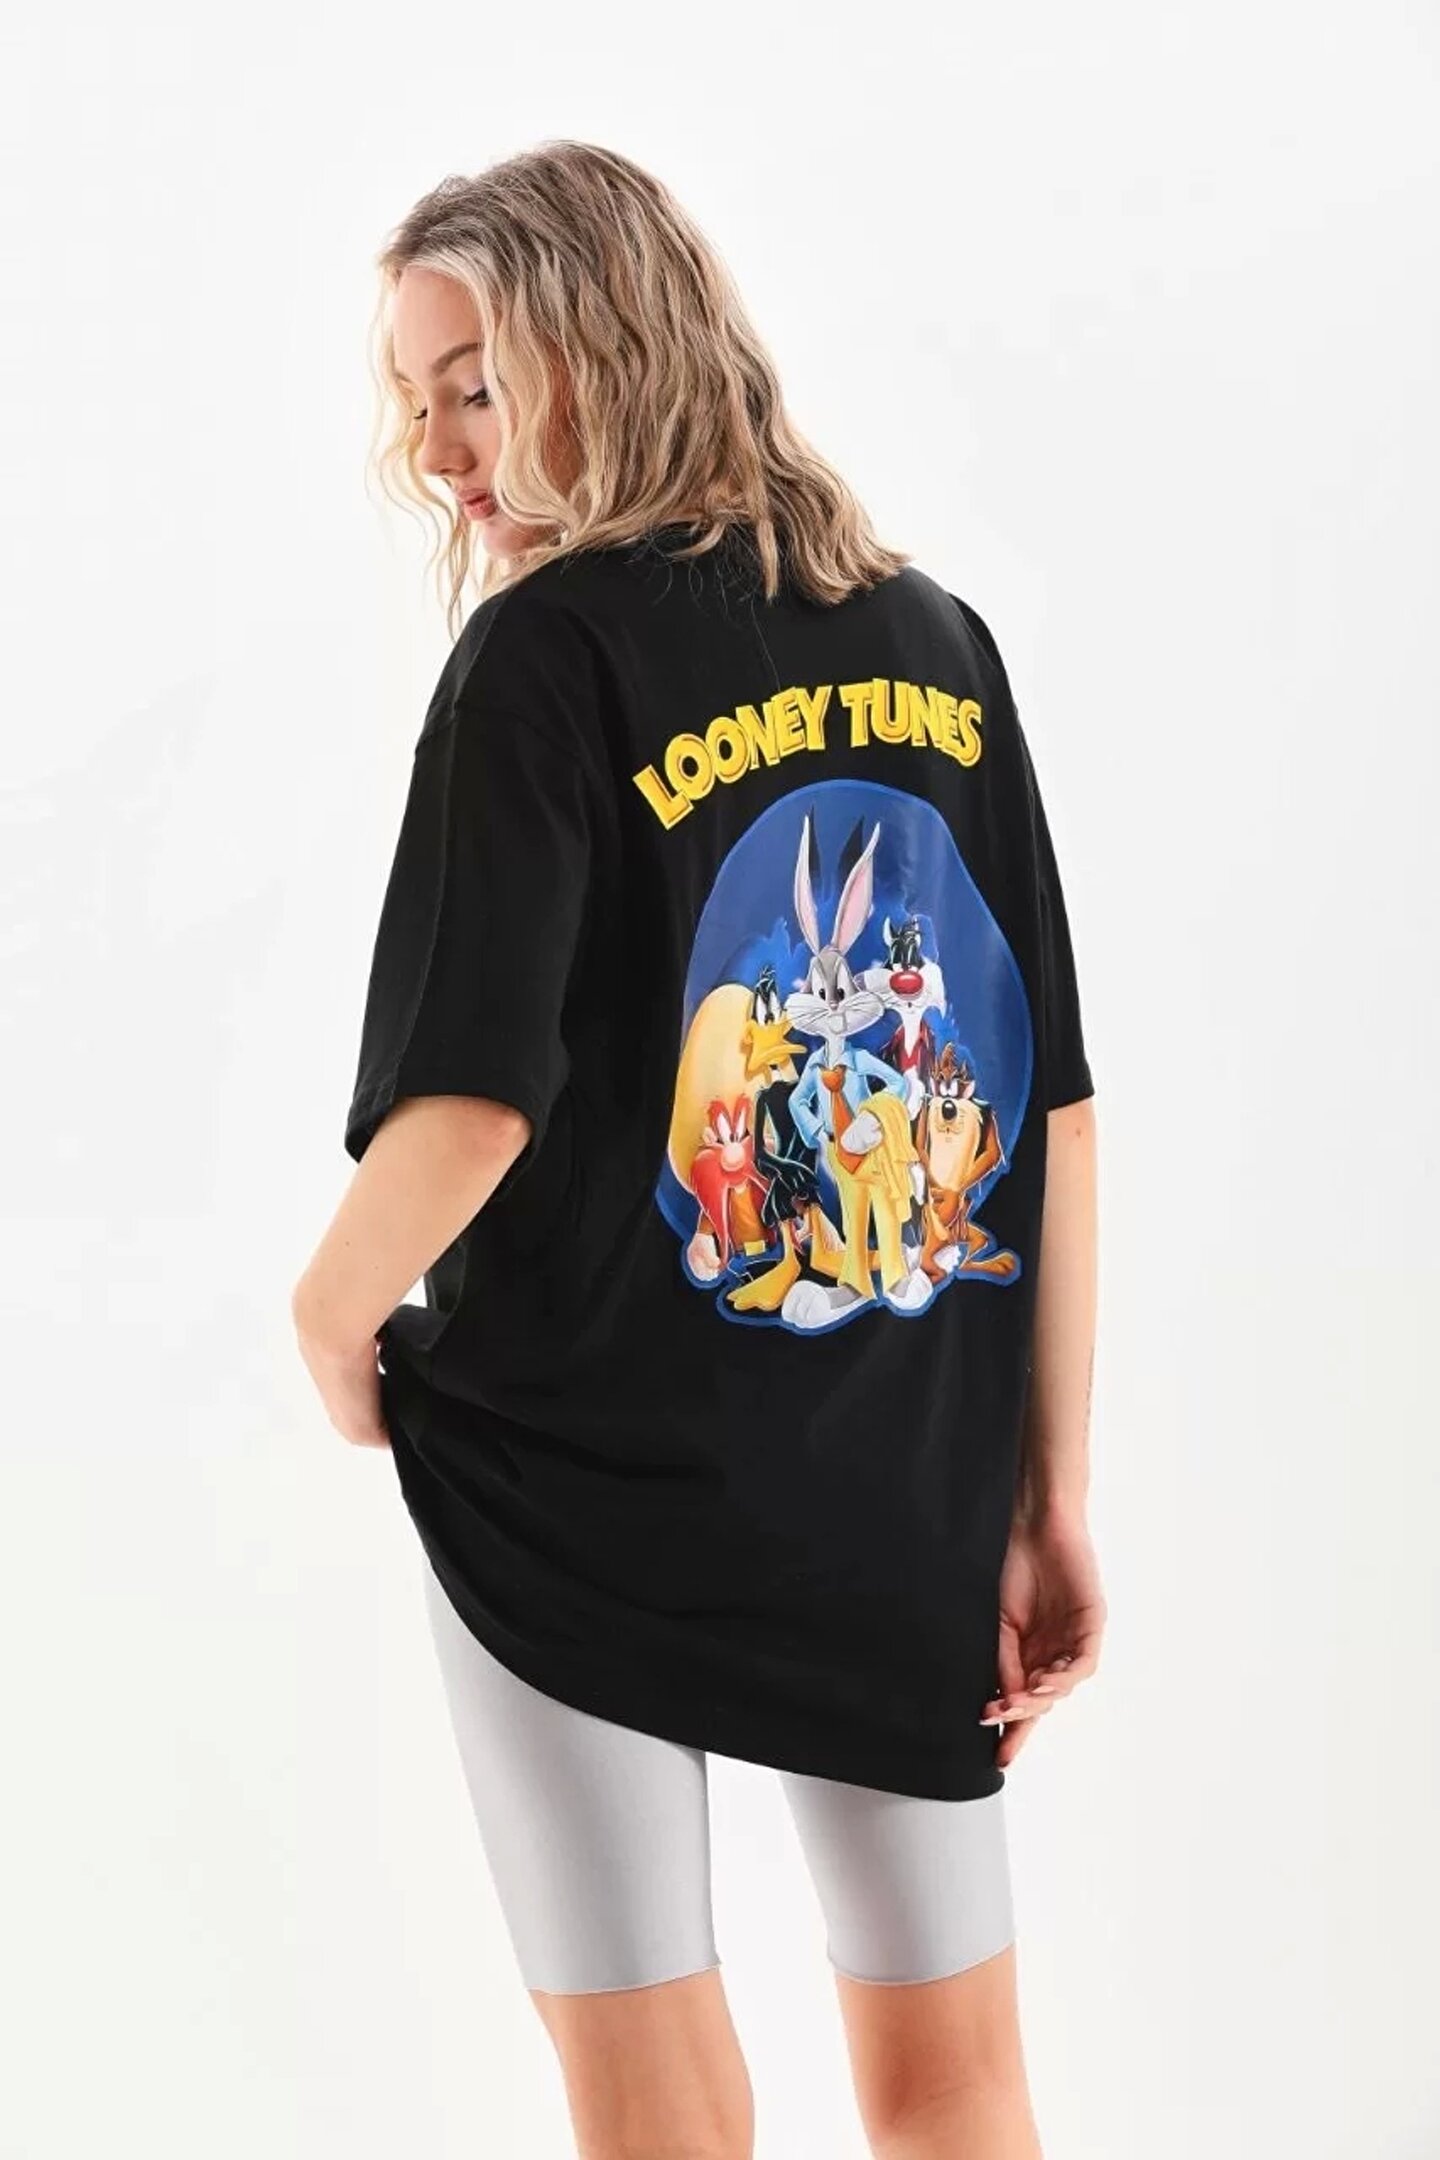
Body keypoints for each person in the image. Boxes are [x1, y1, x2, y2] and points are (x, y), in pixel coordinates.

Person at [292, 139, 1104, 2160]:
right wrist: (1046, 1498)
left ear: (602, 348)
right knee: (959, 2086)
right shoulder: (938, 641)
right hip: (897, 1488)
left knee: (651, 2107)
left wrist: (327, 1318)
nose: (443, 450)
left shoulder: (544, 654)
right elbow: (1051, 1108)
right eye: (418, 401)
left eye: (476, 384)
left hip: (579, 1484)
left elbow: (472, 1105)